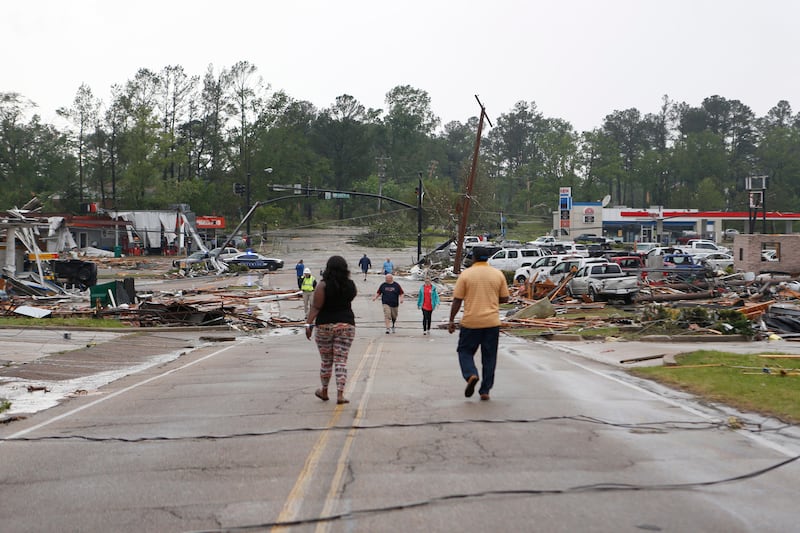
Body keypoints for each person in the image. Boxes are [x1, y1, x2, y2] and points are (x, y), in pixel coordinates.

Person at [448, 246, 510, 401]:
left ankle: (471, 374)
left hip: (471, 322)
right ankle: (485, 390)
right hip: (491, 323)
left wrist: (451, 320)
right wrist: (491, 296)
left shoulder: (466, 275)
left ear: (473, 257)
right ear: (487, 258)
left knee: (465, 351)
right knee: (489, 357)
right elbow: (505, 299)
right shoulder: (497, 274)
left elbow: (457, 300)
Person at [305, 255, 357, 405]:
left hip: (324, 326)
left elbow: (316, 307)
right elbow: (349, 299)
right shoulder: (350, 285)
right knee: (341, 361)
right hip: (346, 325)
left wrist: (308, 325)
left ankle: (324, 391)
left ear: (328, 268)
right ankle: (340, 394)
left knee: (326, 361)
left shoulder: (322, 285)